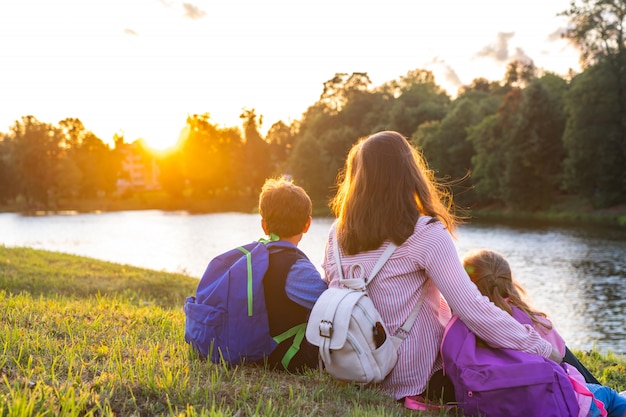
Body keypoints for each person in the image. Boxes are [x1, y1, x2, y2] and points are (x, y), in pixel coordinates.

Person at [322, 131, 562, 408]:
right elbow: (473, 310)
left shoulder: (336, 234)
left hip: (350, 367)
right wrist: (543, 349)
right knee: (537, 337)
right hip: (412, 378)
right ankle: (589, 383)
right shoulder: (424, 233)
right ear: (408, 173)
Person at [462, 248, 626, 417]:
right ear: (509, 282)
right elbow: (561, 356)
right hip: (562, 402)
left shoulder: (464, 324)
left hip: (507, 402)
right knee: (609, 396)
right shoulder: (535, 322)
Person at [258, 177, 328, 372]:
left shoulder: (256, 257)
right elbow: (329, 305)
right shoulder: (297, 268)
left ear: (264, 225)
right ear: (307, 225)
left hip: (259, 346)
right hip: (284, 356)